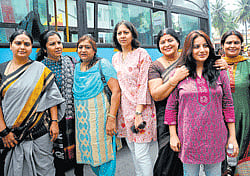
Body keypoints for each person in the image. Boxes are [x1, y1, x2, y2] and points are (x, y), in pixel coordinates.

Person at [148, 28, 229, 176]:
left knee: (213, 167)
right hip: (171, 120)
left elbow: (227, 103)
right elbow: (157, 95)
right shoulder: (159, 67)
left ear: (179, 43)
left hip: (208, 124)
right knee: (170, 163)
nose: (167, 44)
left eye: (170, 40)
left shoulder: (201, 64)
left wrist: (222, 61)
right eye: (162, 42)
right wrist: (174, 79)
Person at [0, 29, 65, 176]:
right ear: (10, 45)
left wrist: (54, 122)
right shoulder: (1, 70)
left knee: (46, 170)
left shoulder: (40, 69)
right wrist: (4, 132)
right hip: (12, 136)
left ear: (31, 47)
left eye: (26, 44)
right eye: (18, 43)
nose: (22, 47)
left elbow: (52, 97)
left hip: (40, 132)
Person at [112, 20, 158, 176]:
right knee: (133, 152)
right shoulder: (115, 58)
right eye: (119, 33)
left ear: (132, 34)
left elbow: (144, 84)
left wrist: (138, 113)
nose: (123, 36)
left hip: (141, 110)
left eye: (126, 32)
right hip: (123, 112)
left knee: (141, 154)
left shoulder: (142, 54)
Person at [73, 35, 121, 176]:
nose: (83, 50)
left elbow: (116, 91)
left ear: (94, 50)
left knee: (106, 155)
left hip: (102, 119)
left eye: (87, 47)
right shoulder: (76, 68)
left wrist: (111, 118)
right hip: (83, 122)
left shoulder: (103, 64)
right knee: (92, 157)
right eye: (80, 47)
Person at [36, 30, 78, 176]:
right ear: (44, 48)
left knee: (78, 157)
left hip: (73, 118)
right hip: (51, 120)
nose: (58, 46)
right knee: (57, 158)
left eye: (59, 42)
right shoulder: (39, 68)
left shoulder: (71, 62)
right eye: (52, 44)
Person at [220, 30, 250, 175]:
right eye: (229, 42)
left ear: (241, 45)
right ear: (222, 45)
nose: (232, 45)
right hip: (220, 117)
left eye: (236, 42)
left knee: (243, 148)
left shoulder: (248, 64)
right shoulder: (214, 65)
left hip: (245, 115)